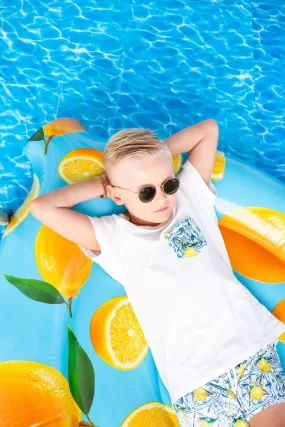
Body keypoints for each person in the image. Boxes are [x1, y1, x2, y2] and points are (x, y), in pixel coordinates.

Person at [31, 119, 285, 426]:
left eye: (168, 184)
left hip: (248, 346)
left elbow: (209, 130)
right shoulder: (114, 239)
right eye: (146, 193)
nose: (163, 198)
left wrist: (160, 155)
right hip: (193, 380)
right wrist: (103, 183)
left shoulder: (190, 199)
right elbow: (43, 208)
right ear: (118, 195)